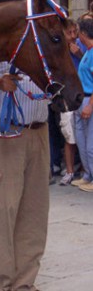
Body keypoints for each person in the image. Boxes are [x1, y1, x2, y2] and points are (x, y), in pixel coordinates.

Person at [0, 0, 50, 291]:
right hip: (3, 132)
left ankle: (24, 283)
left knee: (34, 212)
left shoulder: (44, 37)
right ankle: (1, 284)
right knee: (2, 212)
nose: (29, 5)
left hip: (39, 131)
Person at [59, 19, 83, 185]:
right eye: (70, 33)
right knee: (69, 136)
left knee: (84, 137)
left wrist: (78, 54)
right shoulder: (58, 50)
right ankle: (69, 171)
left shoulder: (82, 47)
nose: (73, 36)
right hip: (67, 97)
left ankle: (84, 170)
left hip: (82, 96)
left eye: (75, 32)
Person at [72, 18, 93, 192]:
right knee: (82, 141)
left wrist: (90, 105)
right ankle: (87, 175)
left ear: (84, 33)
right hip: (81, 99)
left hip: (89, 99)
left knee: (91, 144)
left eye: (78, 31)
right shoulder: (87, 51)